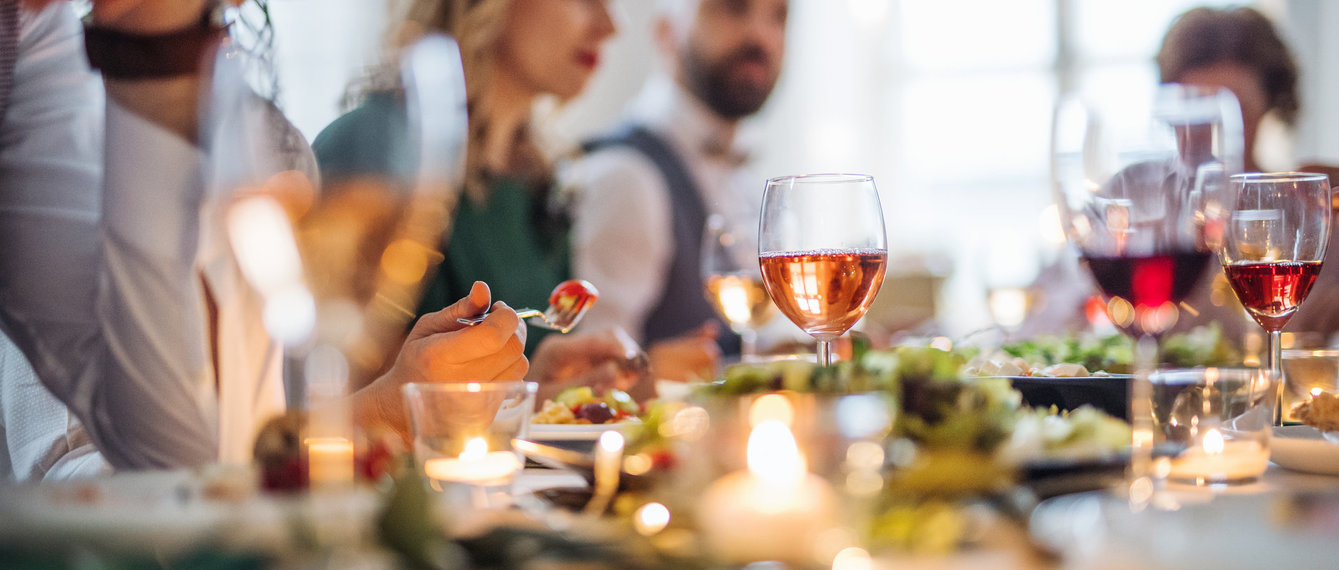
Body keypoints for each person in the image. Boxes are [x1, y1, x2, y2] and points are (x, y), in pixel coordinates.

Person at [0, 0, 529, 474]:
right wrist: (376, 417)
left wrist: (158, 42)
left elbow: (186, 456)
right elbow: (71, 467)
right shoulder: (81, 105)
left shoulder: (270, 148)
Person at [314, 0, 662, 399]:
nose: (611, 26)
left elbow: (494, 395)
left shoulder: (542, 177)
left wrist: (539, 387)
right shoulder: (375, 153)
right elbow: (338, 402)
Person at [567, 0, 788, 369]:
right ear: (666, 32)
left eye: (779, 17)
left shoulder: (743, 177)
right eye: (732, 9)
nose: (760, 35)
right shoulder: (627, 174)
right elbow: (594, 376)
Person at [1156, 5, 1339, 345]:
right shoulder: (1127, 214)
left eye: (1234, 113)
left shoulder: (1315, 218)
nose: (1211, 137)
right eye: (1195, 114)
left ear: (1269, 104)